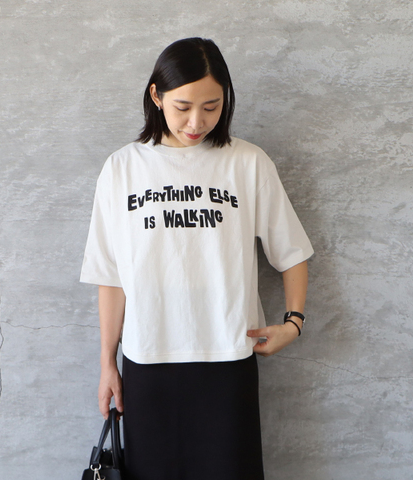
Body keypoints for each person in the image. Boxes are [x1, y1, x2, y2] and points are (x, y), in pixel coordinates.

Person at [80, 37, 314, 480]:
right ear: (156, 95)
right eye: (183, 106)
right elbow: (110, 275)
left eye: (211, 107)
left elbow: (292, 251)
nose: (197, 121)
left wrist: (294, 323)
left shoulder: (248, 163)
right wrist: (108, 362)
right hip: (148, 359)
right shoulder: (122, 168)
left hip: (228, 356)